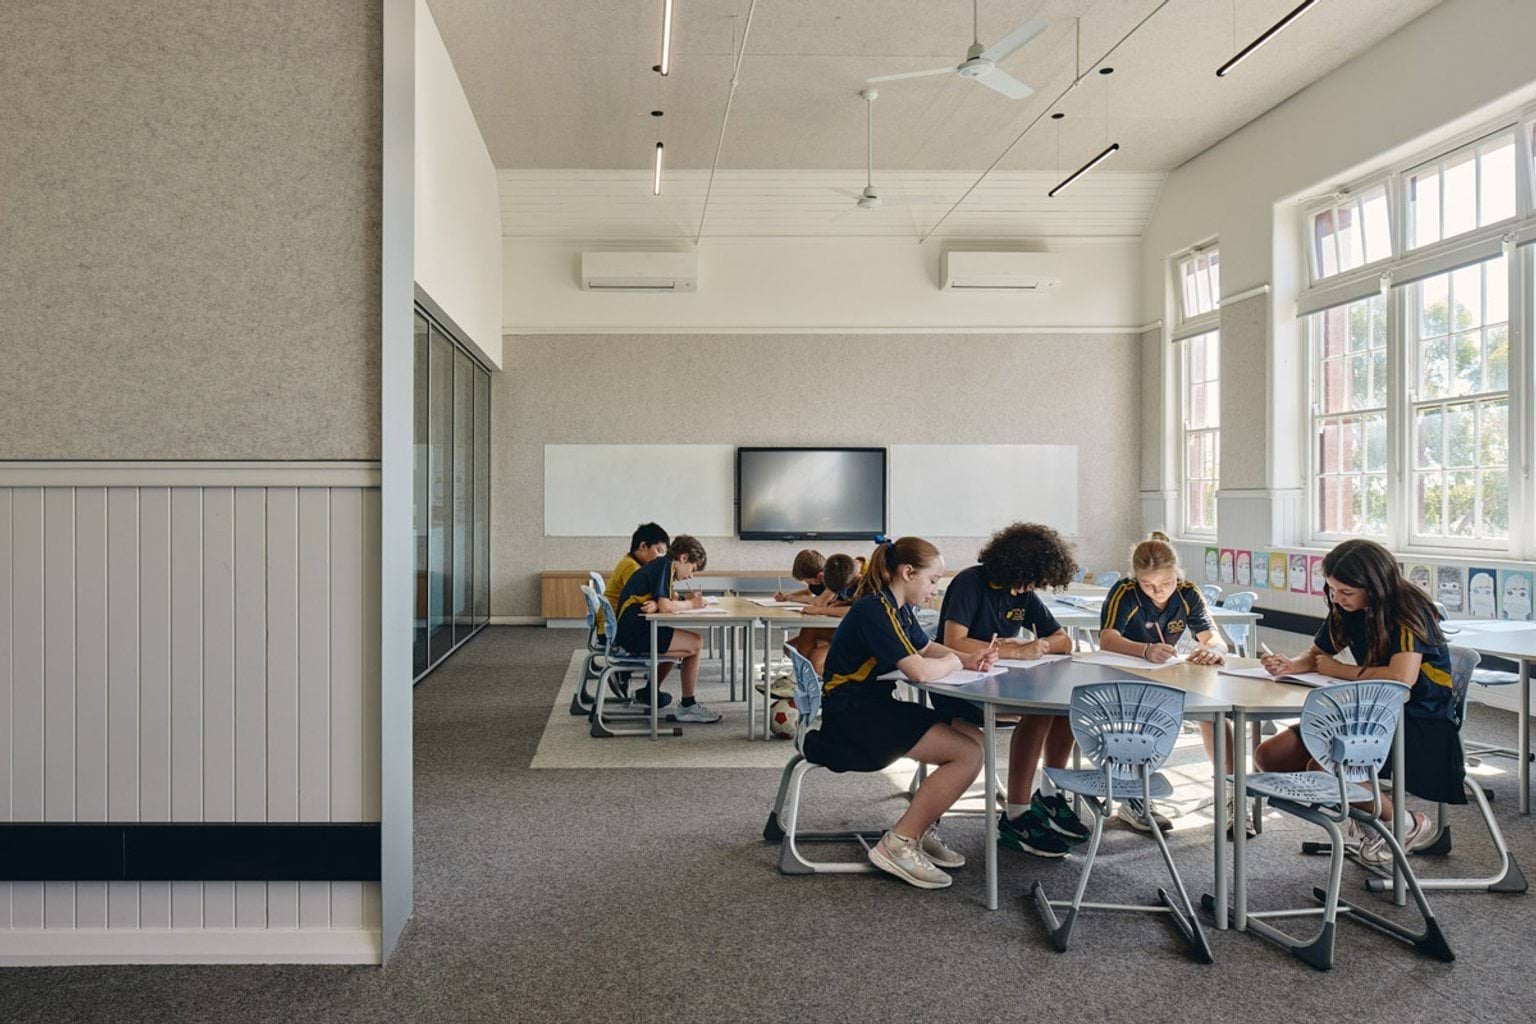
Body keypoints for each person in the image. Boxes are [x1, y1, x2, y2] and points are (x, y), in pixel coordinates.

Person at [1254, 538, 1458, 864]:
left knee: (1323, 765)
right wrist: (1292, 665)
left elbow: (1401, 677)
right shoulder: (1346, 607)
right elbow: (1318, 654)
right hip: (1365, 713)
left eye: (1346, 592)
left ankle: (1401, 824)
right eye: (1332, 590)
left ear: (1375, 588)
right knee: (1270, 756)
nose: (1336, 598)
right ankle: (1370, 816)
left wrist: (1341, 670)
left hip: (1418, 722)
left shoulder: (1409, 610)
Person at [818, 538, 998, 889]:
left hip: (872, 705)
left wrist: (966, 659)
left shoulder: (897, 607)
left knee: (974, 737)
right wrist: (951, 661)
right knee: (967, 753)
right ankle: (898, 843)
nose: (936, 589)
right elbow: (919, 670)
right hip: (850, 716)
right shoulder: (875, 610)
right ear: (908, 572)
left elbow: (925, 646)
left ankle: (921, 826)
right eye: (933, 581)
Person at [934, 522, 1086, 858]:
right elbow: (953, 641)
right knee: (1039, 710)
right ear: (1012, 566)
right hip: (956, 685)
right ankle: (1017, 814)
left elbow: (1064, 640)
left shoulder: (1023, 591)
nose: (1027, 589)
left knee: (1063, 707)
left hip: (1000, 680)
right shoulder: (970, 582)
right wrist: (1016, 650)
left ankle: (1048, 795)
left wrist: (1040, 644)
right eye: (1027, 580)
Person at [1099, 532, 1243, 834]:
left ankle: (1231, 795)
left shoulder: (1188, 593)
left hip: (1169, 669)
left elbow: (1212, 635)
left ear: (1177, 573)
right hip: (1130, 669)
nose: (1157, 591)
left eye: (1166, 583)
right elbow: (1108, 638)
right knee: (1140, 717)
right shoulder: (1125, 592)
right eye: (1148, 585)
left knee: (1213, 713)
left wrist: (1213, 649)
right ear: (1135, 577)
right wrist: (1144, 649)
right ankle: (1135, 797)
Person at [613, 534, 720, 723]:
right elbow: (665, 605)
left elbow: (665, 599)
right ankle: (688, 705)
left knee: (681, 648)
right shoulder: (666, 566)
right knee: (696, 643)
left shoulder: (663, 566)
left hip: (630, 627)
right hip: (633, 631)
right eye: (692, 569)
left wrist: (682, 600)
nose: (691, 576)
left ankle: (649, 691)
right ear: (683, 558)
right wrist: (693, 604)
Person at [786, 553, 859, 675]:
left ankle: (816, 686)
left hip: (865, 635)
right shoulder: (844, 572)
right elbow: (857, 604)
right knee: (805, 634)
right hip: (851, 628)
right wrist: (843, 603)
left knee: (816, 657)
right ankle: (804, 684)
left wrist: (820, 610)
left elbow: (858, 610)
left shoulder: (861, 578)